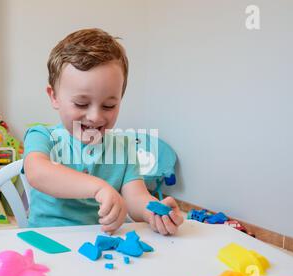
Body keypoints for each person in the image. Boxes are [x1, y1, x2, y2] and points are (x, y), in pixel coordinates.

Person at [23, 28, 183, 235]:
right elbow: (38, 173)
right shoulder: (43, 136)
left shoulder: (123, 148)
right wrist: (98, 187)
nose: (95, 117)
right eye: (81, 104)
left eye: (108, 106)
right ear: (54, 97)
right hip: (48, 240)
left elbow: (136, 198)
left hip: (101, 243)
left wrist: (154, 211)